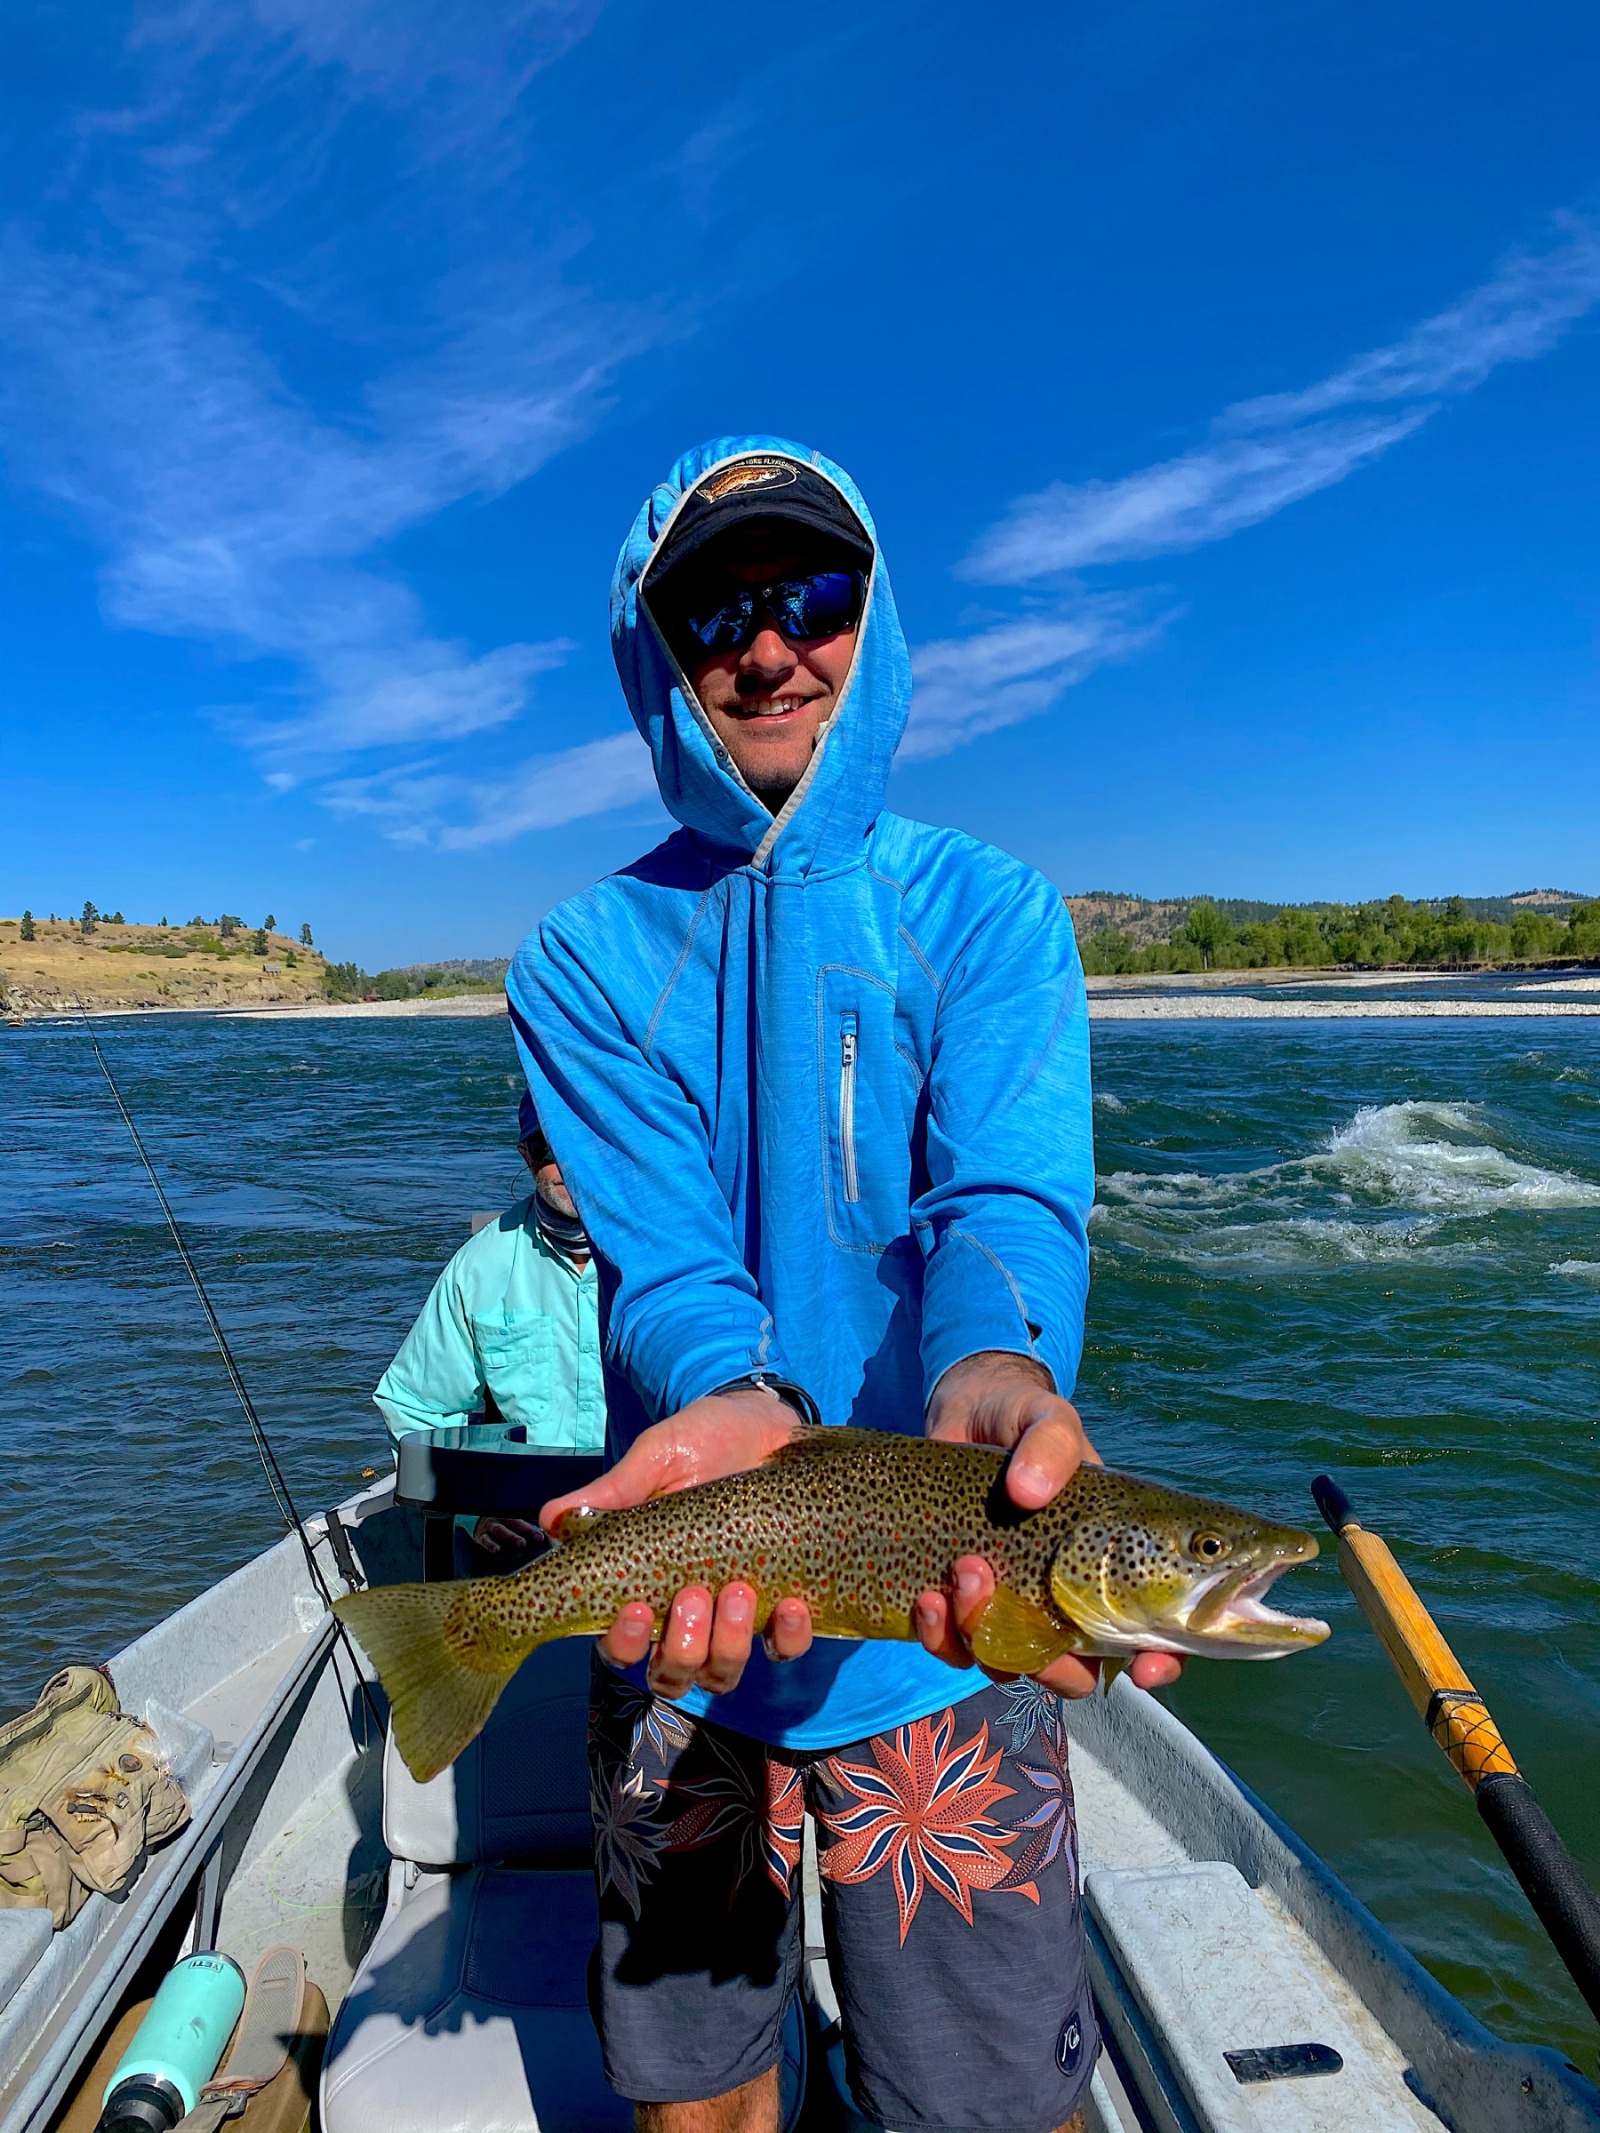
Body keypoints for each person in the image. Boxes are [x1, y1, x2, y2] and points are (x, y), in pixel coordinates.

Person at [508, 439, 1181, 2133]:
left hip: (954, 1621)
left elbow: (1005, 1199)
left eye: (812, 593)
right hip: (694, 1602)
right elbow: (664, 1258)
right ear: (656, 655)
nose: (767, 645)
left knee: (983, 2107)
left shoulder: (996, 913)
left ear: (871, 621)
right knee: (698, 2098)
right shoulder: (577, 959)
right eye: (714, 610)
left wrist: (1000, 1357)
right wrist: (737, 1388)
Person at [373, 1092, 602, 1556]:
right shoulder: (480, 1265)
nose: (566, 1163)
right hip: (534, 1534)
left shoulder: (671, 1257)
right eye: (546, 1148)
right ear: (525, 1155)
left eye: (580, 1140)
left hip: (658, 1519)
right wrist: (474, 1512)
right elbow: (414, 1404)